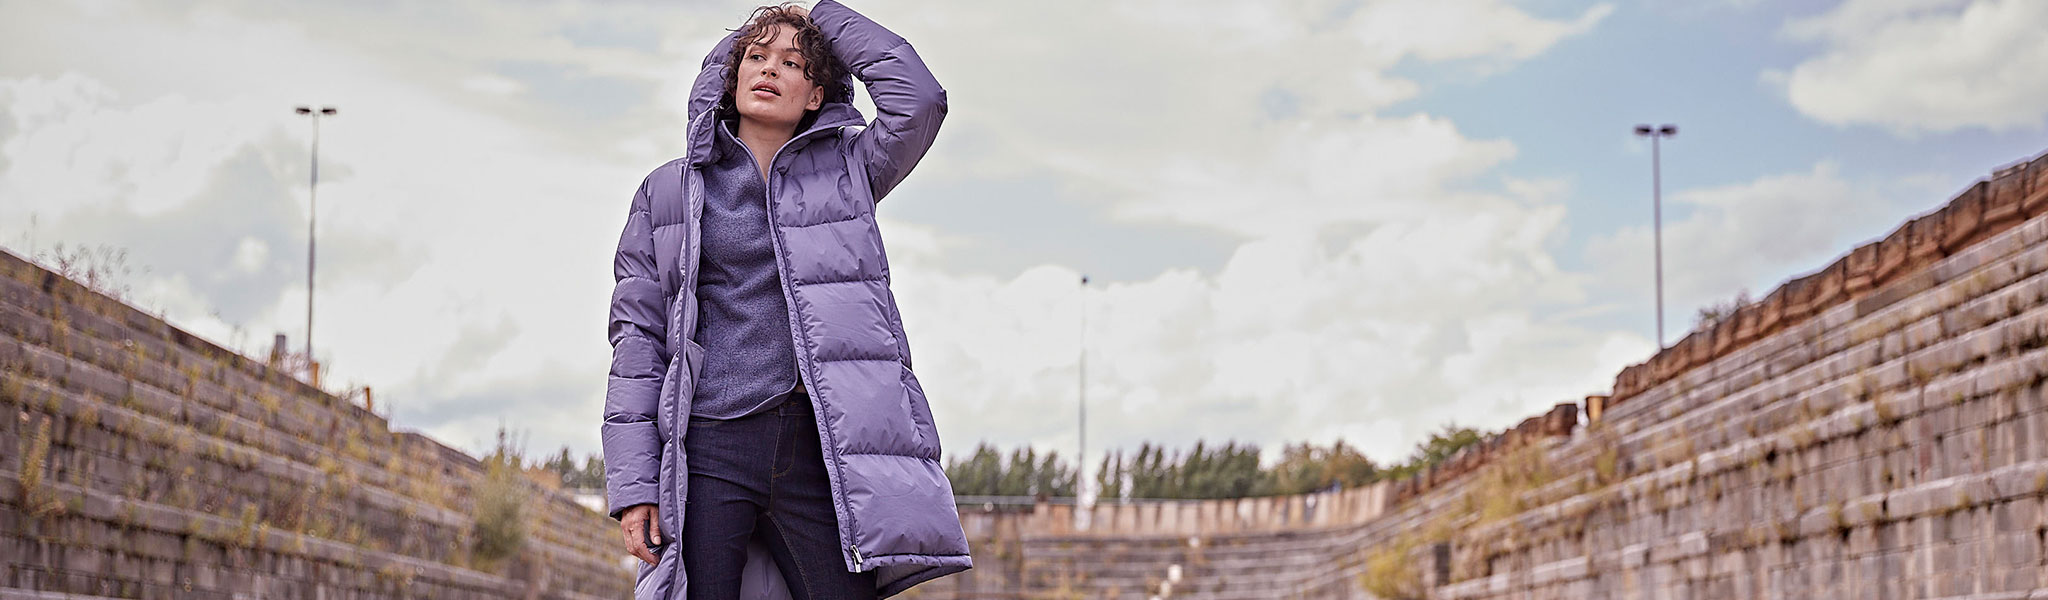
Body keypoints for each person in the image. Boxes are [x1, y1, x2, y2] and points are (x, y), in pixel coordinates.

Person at [599, 1, 970, 599]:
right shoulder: (669, 190)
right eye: (755, 56)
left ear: (817, 94)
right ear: (731, 73)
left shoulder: (849, 172)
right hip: (711, 441)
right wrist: (636, 484)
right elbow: (637, 341)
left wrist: (819, 15)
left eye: (792, 63)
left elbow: (919, 100)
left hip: (814, 447)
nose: (769, 70)